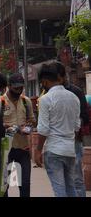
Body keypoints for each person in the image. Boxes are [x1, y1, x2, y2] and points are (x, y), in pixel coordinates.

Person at [34, 63, 81, 197]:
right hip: (70, 150)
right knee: (71, 188)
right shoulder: (74, 98)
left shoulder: (45, 99)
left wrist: (38, 151)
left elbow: (43, 129)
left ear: (45, 81)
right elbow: (77, 127)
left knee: (59, 190)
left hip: (54, 150)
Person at [52, 61, 89, 197]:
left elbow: (84, 117)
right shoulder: (49, 93)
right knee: (61, 181)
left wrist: (73, 129)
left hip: (74, 142)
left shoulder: (76, 92)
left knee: (77, 178)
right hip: (57, 142)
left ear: (61, 77)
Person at [0, 73, 36, 197]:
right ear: (8, 86)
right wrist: (9, 127)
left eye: (21, 88)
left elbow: (32, 121)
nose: (19, 91)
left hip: (23, 148)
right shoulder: (0, 102)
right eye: (16, 88)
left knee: (25, 184)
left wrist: (27, 128)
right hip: (6, 148)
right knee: (4, 185)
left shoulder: (26, 101)